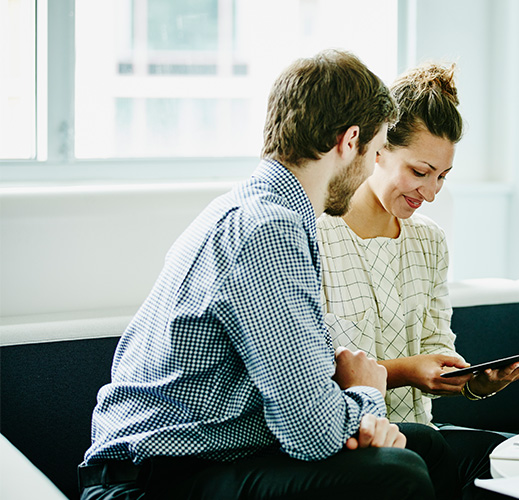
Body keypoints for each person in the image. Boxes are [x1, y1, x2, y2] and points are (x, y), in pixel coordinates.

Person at [80, 50, 448, 500]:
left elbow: (305, 401)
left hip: (213, 455)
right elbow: (312, 432)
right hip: (152, 479)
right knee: (399, 473)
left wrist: (354, 405)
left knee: (427, 445)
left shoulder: (268, 212)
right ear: (349, 141)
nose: (369, 169)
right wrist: (367, 395)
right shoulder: (266, 229)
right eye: (374, 153)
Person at [317, 62, 519, 499]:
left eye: (442, 176)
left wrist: (478, 382)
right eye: (420, 172)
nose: (432, 192)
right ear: (377, 150)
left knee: (512, 462)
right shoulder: (318, 235)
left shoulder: (429, 241)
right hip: (357, 442)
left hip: (423, 435)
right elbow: (312, 377)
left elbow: (438, 352)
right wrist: (406, 371)